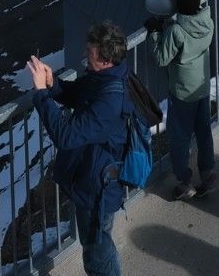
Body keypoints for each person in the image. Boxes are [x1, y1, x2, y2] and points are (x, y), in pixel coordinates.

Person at [20, 24, 150, 276]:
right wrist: (52, 83)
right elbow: (78, 95)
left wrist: (41, 94)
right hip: (93, 177)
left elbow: (67, 136)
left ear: (104, 59)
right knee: (98, 243)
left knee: (96, 252)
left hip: (98, 188)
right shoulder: (105, 78)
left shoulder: (111, 100)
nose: (84, 57)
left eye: (89, 54)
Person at [145, 0, 219, 202]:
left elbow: (161, 58)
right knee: (203, 131)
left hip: (181, 91)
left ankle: (185, 183)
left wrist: (155, 33)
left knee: (179, 136)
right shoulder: (207, 21)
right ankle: (209, 174)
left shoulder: (177, 31)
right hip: (201, 86)